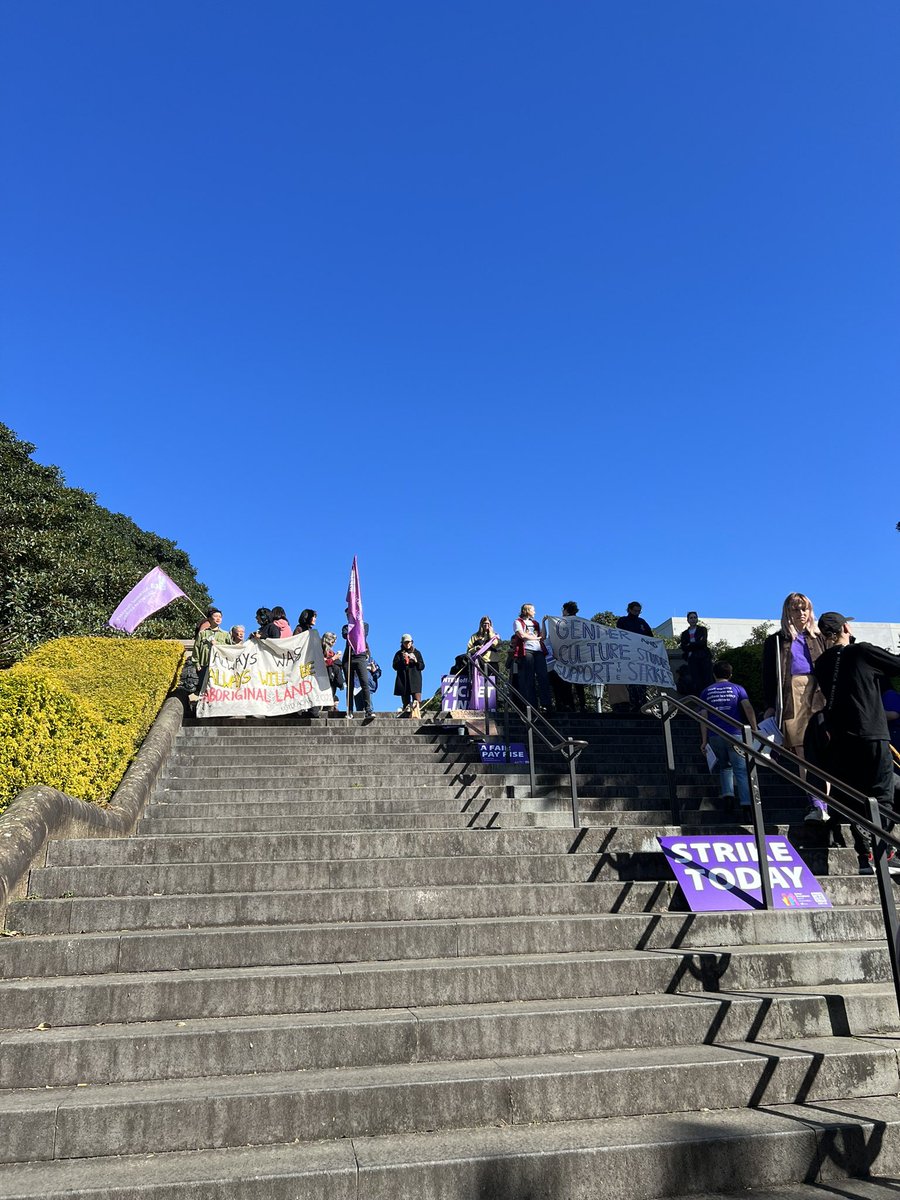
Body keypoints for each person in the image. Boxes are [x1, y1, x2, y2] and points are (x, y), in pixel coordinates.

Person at [813, 612, 900, 875]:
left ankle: (866, 857)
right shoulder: (861, 651)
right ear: (846, 627)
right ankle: (882, 852)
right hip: (871, 732)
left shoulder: (822, 663)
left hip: (841, 739)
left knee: (856, 797)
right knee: (883, 795)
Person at [762, 592, 828, 822]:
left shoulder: (821, 637)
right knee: (802, 752)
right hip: (792, 695)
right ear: (787, 612)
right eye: (795, 609)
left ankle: (828, 803)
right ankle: (817, 803)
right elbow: (769, 676)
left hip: (820, 695)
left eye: (805, 608)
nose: (801, 613)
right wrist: (770, 706)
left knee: (824, 750)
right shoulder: (776, 641)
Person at [699, 662, 757, 812]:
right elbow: (748, 708)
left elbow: (703, 717)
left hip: (714, 735)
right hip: (735, 734)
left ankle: (728, 797)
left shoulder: (706, 692)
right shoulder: (738, 689)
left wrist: (704, 741)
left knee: (724, 767)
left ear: (714, 674)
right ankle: (746, 805)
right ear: (730, 674)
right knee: (741, 770)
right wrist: (754, 729)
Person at [613, 601, 654, 712]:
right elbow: (618, 635)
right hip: (628, 655)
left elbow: (650, 637)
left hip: (640, 656)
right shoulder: (622, 621)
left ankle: (642, 704)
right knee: (630, 681)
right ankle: (631, 704)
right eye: (635, 611)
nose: (637, 613)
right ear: (630, 610)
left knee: (641, 681)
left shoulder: (642, 622)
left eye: (639, 611)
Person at [549, 601, 589, 713]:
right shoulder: (581, 622)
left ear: (566, 610)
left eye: (563, 610)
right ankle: (582, 705)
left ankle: (570, 705)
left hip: (567, 658)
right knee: (579, 683)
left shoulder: (562, 623)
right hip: (578, 657)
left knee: (567, 682)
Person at [512, 603, 552, 711]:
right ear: (527, 610)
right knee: (528, 679)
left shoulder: (536, 623)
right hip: (526, 651)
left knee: (543, 676)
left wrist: (543, 623)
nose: (535, 612)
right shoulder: (518, 622)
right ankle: (531, 705)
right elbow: (522, 635)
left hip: (538, 650)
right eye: (533, 610)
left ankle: (546, 704)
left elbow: (543, 636)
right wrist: (536, 638)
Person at [341, 619, 375, 721]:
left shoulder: (365, 625)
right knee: (350, 686)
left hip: (360, 657)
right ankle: (350, 711)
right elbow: (346, 635)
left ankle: (368, 710)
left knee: (364, 682)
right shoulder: (346, 627)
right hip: (348, 658)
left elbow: (362, 634)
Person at [192, 607, 229, 694]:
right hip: (204, 665)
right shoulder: (202, 633)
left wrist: (218, 644)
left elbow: (229, 649)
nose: (218, 618)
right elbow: (196, 648)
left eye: (220, 617)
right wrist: (197, 663)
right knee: (202, 690)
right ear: (209, 619)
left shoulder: (226, 634)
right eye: (215, 616)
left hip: (219, 666)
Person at [680, 612, 714, 695]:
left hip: (703, 657)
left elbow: (702, 643)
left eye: (695, 617)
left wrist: (690, 645)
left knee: (707, 678)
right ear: (688, 620)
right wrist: (696, 644)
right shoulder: (684, 633)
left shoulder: (702, 630)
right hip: (692, 658)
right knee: (696, 680)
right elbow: (684, 646)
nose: (693, 619)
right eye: (691, 618)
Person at [393, 635, 425, 717]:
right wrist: (403, 660)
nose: (407, 644)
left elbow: (422, 666)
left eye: (409, 642)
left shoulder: (417, 653)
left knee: (416, 701)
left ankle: (416, 716)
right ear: (402, 643)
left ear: (412, 642)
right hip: (403, 680)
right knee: (405, 703)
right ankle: (406, 716)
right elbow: (394, 666)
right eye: (405, 642)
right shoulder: (399, 654)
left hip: (415, 680)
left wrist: (415, 660)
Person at [321, 631, 345, 712]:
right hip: (325, 677)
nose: (334, 643)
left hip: (332, 677)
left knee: (330, 699)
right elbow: (323, 663)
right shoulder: (321, 650)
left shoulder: (330, 651)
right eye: (332, 641)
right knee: (326, 700)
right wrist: (334, 658)